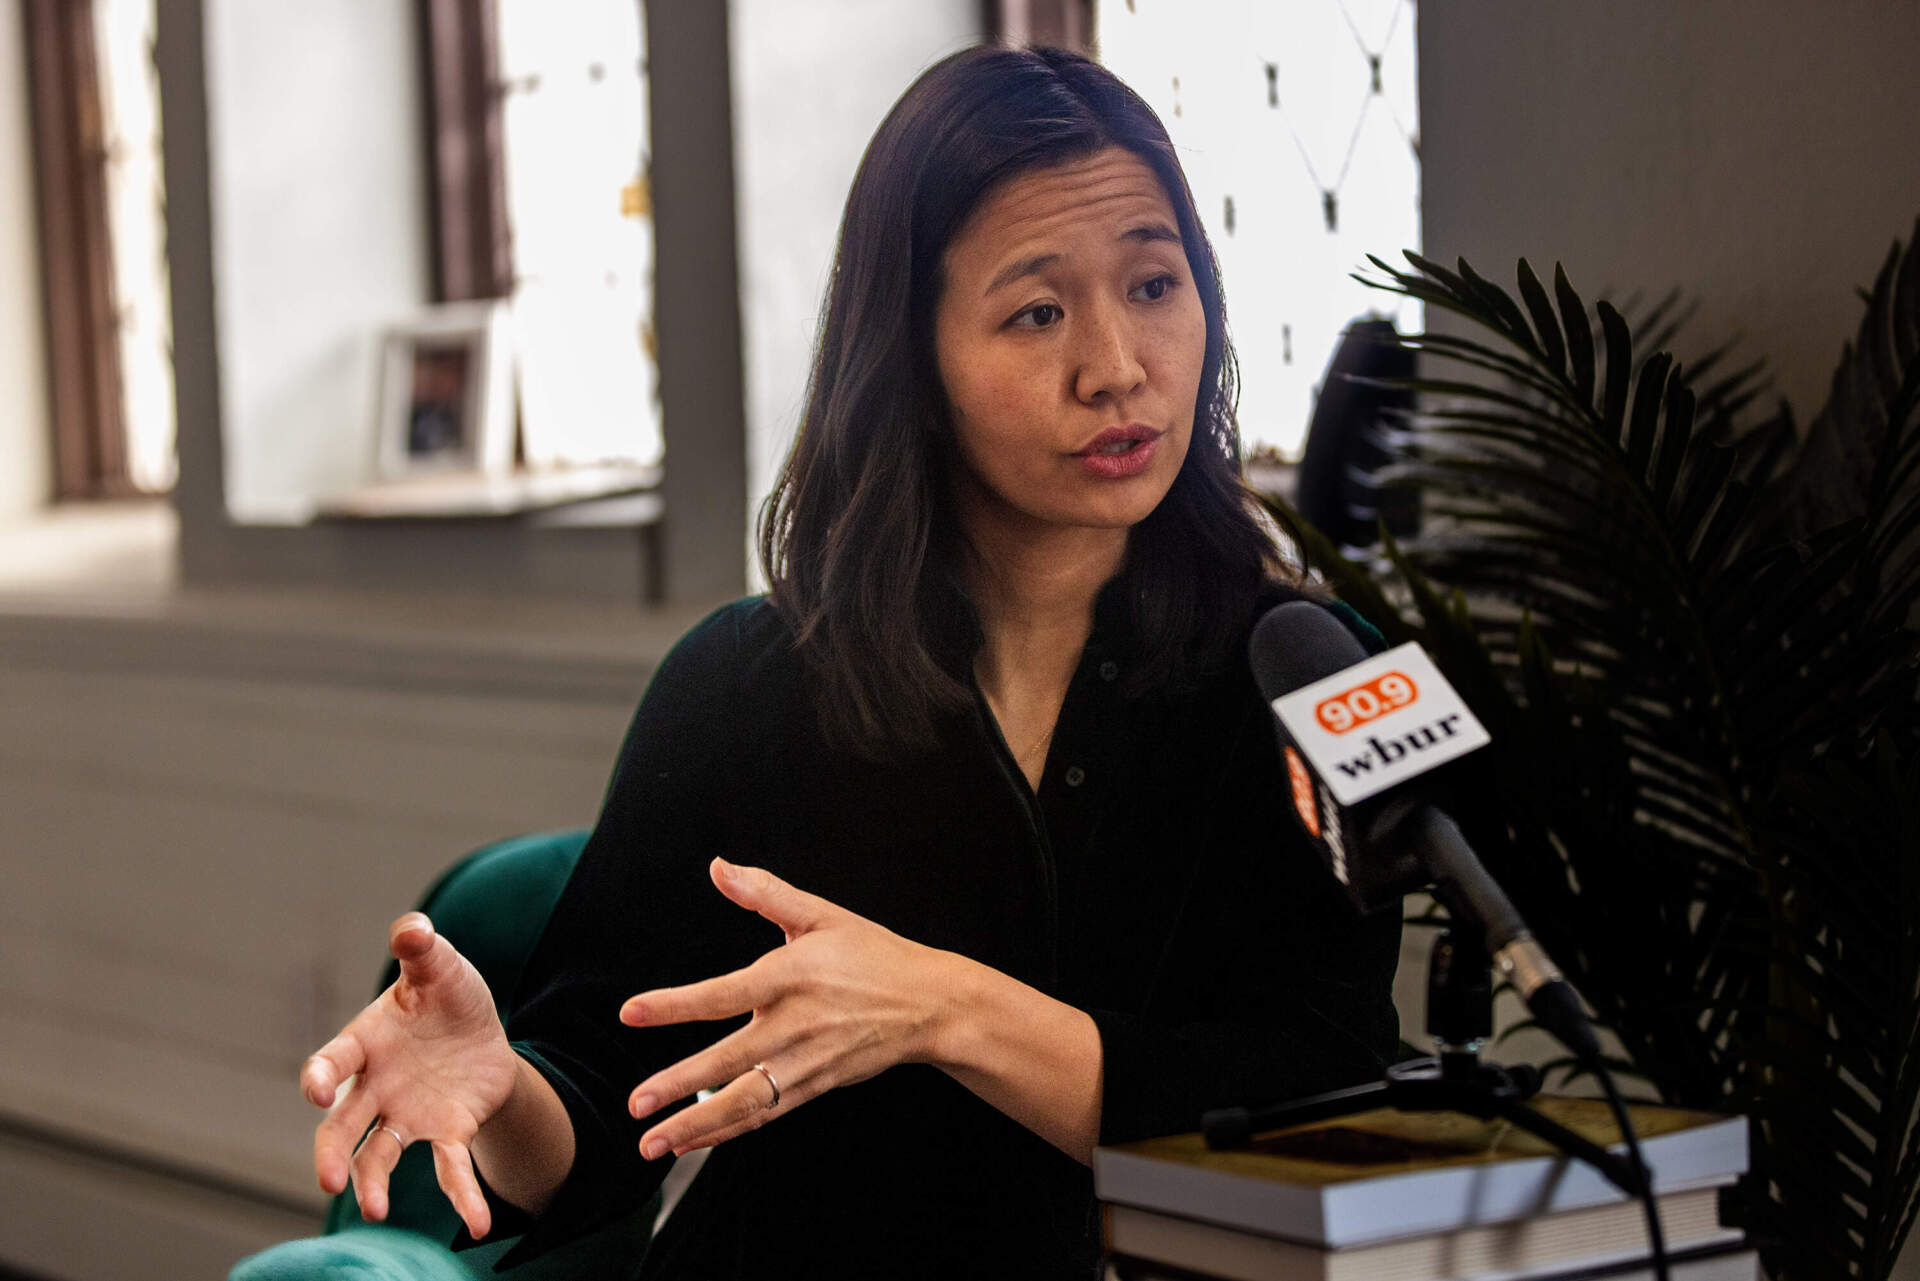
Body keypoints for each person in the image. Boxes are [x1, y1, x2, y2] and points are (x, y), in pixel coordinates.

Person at [299, 44, 1401, 1279]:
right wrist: (503, 1090)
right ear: (911, 355)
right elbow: (610, 1122)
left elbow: (1331, 1106)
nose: (1117, 366)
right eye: (1037, 312)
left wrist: (944, 1010)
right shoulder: (748, 683)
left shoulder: (1310, 675)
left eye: (1154, 284)